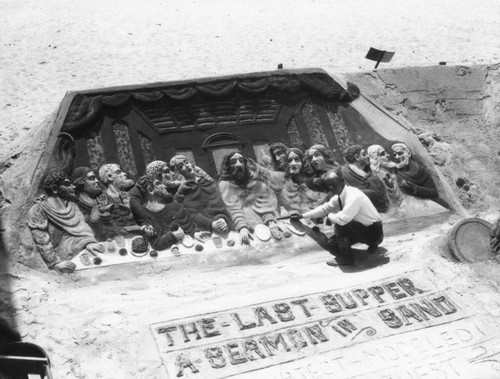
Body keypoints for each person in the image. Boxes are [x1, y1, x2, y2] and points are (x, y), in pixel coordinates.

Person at [291, 169, 383, 267]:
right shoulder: (340, 196)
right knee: (332, 245)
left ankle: (348, 259)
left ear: (342, 180)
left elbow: (342, 219)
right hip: (362, 229)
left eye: (334, 183)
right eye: (329, 185)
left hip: (374, 232)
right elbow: (324, 208)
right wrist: (302, 216)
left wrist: (330, 216)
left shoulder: (353, 195)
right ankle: (357, 252)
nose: (331, 187)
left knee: (340, 227)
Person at [28, 171, 104, 273]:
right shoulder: (39, 209)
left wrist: (89, 243)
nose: (73, 187)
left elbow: (83, 228)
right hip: (62, 259)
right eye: (67, 184)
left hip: (80, 252)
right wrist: (56, 263)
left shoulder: (73, 206)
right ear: (55, 189)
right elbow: (42, 241)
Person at [131, 174, 227, 250]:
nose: (164, 186)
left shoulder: (174, 205)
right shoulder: (145, 216)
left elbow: (191, 222)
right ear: (151, 190)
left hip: (189, 247)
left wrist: (201, 230)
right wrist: (172, 236)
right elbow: (156, 245)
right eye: (158, 184)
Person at [218, 150, 280, 244]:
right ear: (228, 166)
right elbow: (232, 208)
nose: (238, 165)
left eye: (241, 161)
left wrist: (270, 221)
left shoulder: (258, 184)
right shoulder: (225, 185)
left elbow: (265, 205)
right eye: (233, 162)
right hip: (243, 226)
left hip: (263, 226)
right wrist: (242, 227)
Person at [169, 155, 231, 226]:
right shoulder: (184, 189)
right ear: (178, 172)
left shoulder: (206, 180)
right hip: (205, 227)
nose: (186, 166)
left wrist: (222, 218)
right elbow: (192, 215)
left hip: (223, 220)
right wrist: (211, 224)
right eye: (181, 166)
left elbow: (219, 203)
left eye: (186, 162)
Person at [71, 166, 120, 240]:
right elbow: (77, 229)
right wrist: (91, 221)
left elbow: (120, 218)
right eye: (91, 178)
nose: (97, 181)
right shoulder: (75, 205)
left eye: (96, 178)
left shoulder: (104, 197)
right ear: (81, 182)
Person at [341, 145, 390, 213]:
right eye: (364, 154)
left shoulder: (368, 170)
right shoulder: (347, 173)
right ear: (357, 157)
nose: (367, 156)